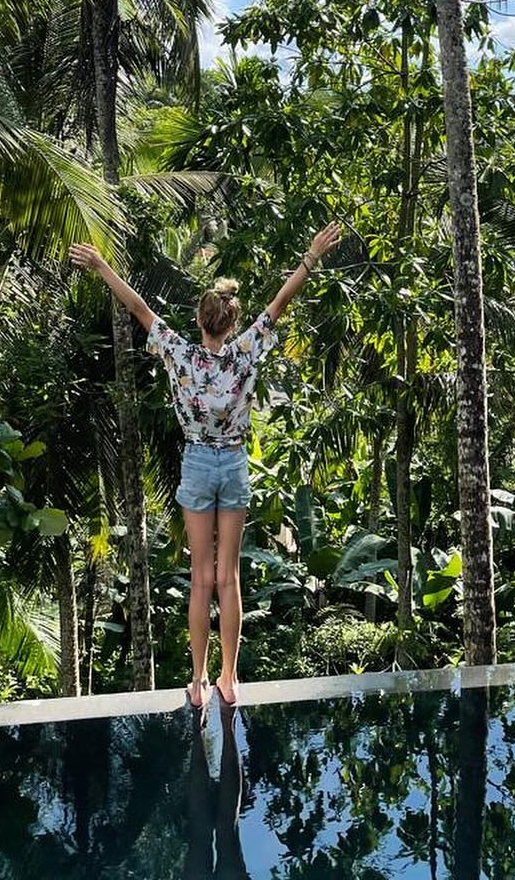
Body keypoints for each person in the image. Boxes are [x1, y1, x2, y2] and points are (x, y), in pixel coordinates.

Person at [69, 223, 341, 708]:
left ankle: (196, 683)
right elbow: (280, 304)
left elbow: (139, 309)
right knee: (229, 578)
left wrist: (101, 266)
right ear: (231, 325)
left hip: (196, 464)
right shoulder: (245, 352)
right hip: (233, 463)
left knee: (200, 579)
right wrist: (311, 254)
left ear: (200, 321)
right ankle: (229, 679)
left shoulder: (182, 355)